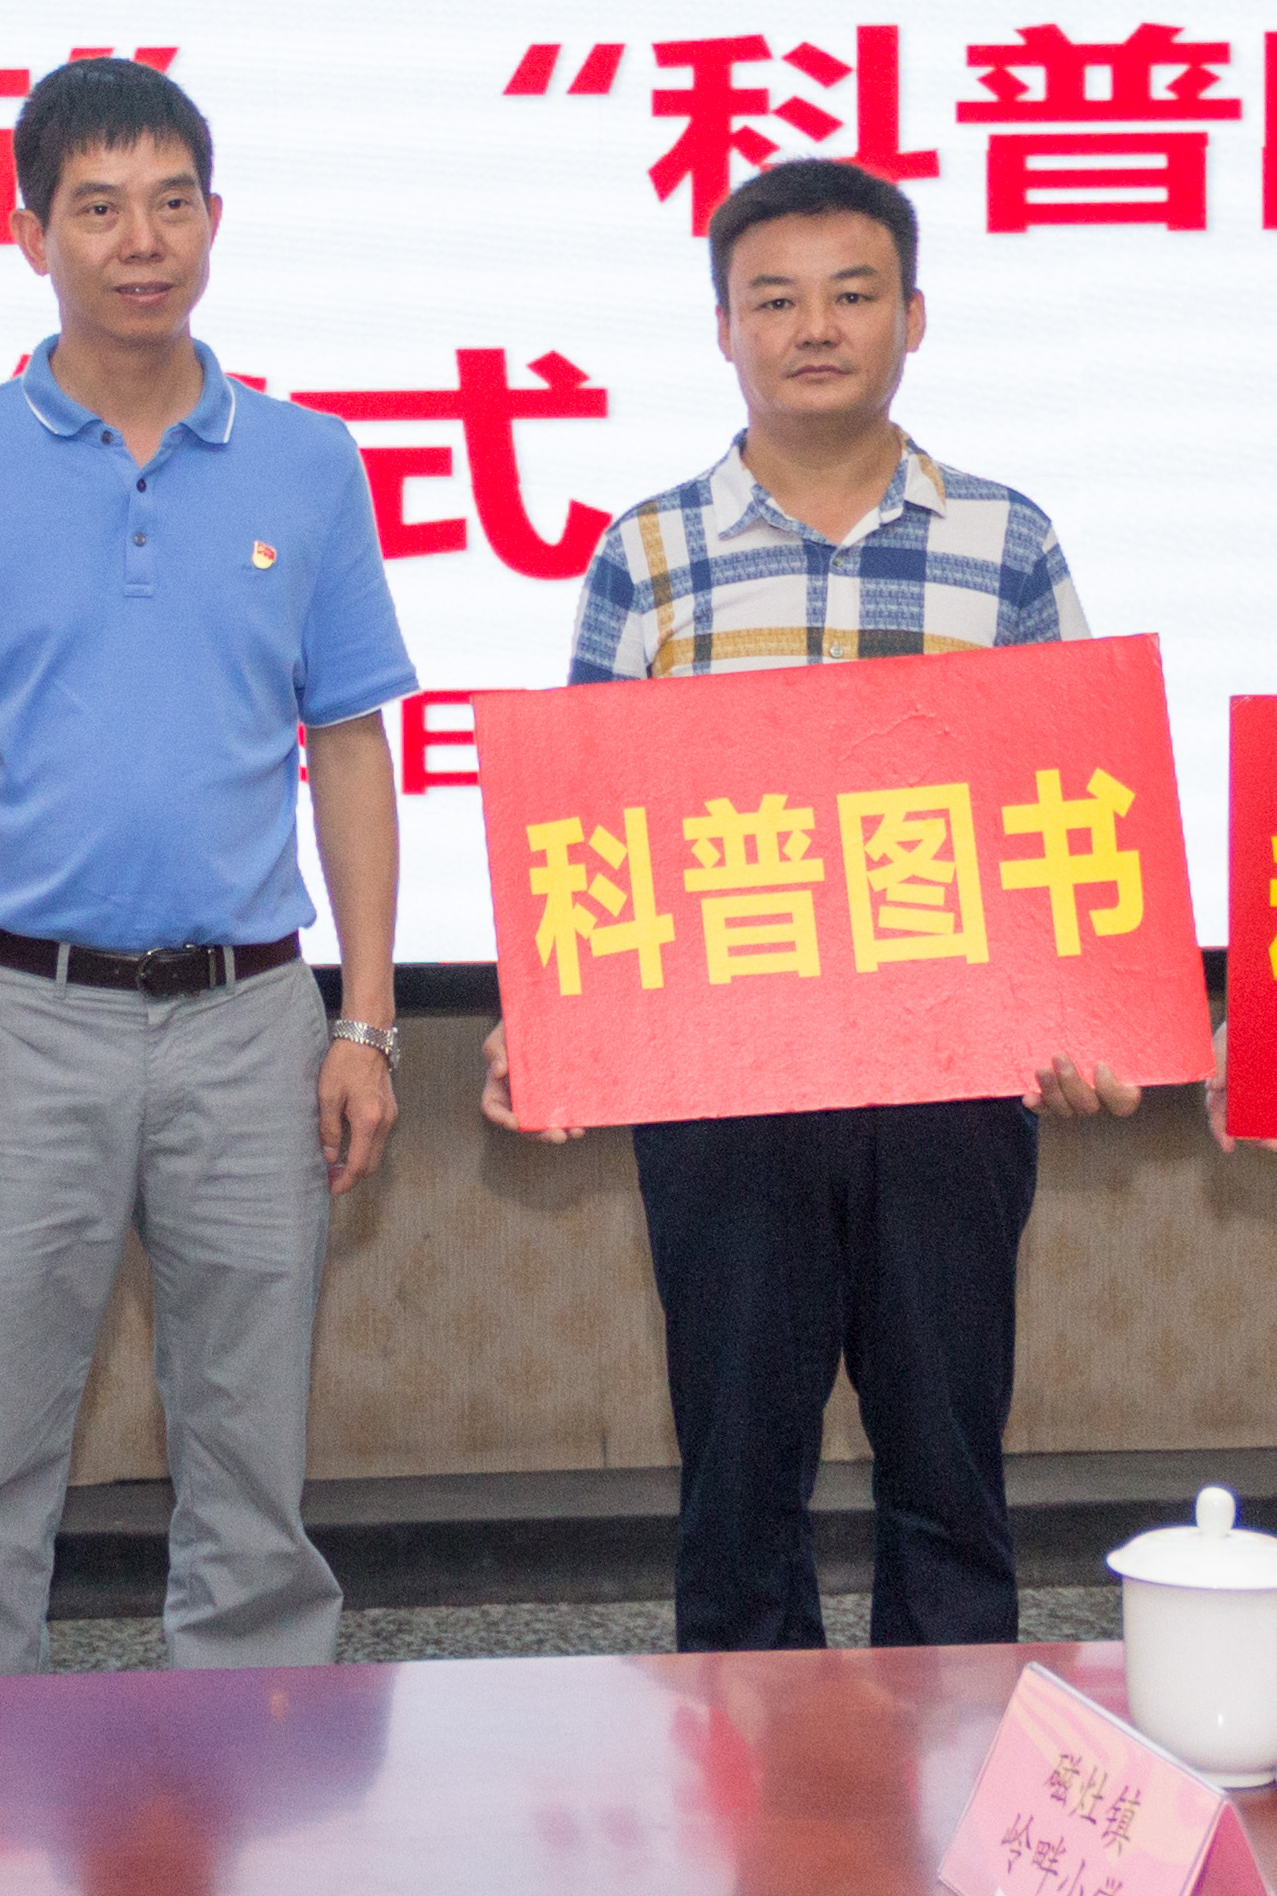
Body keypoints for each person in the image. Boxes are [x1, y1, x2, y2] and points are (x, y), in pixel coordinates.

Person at [478, 156, 1136, 1653]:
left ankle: (952, 1747)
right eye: (774, 300)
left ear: (914, 316)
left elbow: (1072, 803)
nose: (814, 327)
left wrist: (1094, 1013)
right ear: (724, 328)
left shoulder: (1007, 539)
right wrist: (551, 1017)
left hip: (952, 1080)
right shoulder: (651, 548)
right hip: (724, 1086)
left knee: (948, 1461)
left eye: (852, 294)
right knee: (735, 1474)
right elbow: (587, 819)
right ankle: (754, 1770)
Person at [0, 57, 413, 1679]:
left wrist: (366, 1020)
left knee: (251, 1454)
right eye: (97, 207)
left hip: (252, 1017)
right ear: (31, 232)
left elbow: (349, 745)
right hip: (19, 1019)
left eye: (170, 202)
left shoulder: (306, 460)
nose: (139, 240)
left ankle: (252, 1767)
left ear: (214, 218)